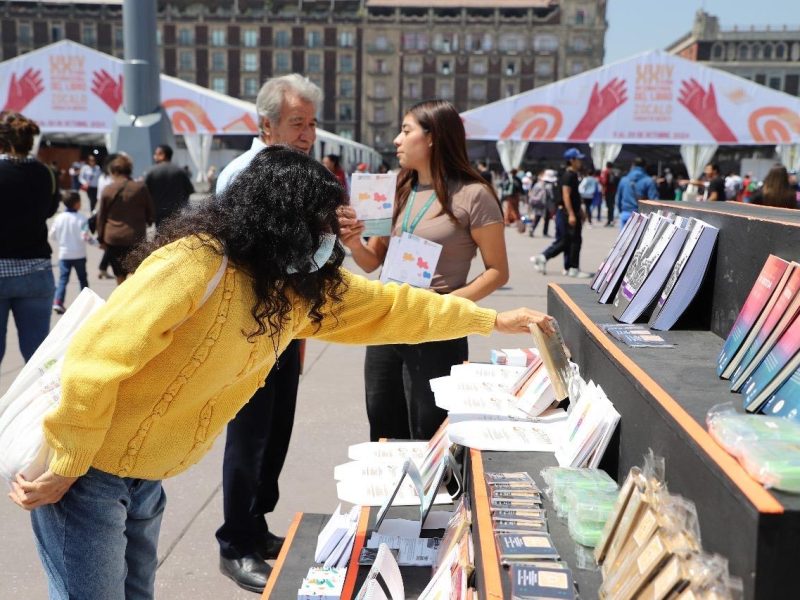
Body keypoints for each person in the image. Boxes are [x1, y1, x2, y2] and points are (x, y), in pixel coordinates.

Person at [9, 145, 555, 600]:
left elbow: (394, 307)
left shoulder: (292, 287)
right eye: (318, 226)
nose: (327, 241)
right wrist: (69, 460)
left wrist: (490, 319)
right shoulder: (196, 262)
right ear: (278, 222)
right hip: (85, 476)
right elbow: (95, 361)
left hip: (143, 477)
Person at [337, 99, 509, 443]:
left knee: (429, 434)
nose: (397, 141)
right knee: (384, 428)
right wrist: (355, 243)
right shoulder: (400, 189)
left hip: (437, 329)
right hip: (387, 323)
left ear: (432, 137)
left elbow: (497, 272)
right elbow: (373, 261)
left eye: (405, 131)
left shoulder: (475, 195)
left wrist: (448, 304)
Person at [213, 73, 321, 593]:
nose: (307, 133)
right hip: (249, 327)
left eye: (312, 123)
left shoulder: (301, 170)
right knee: (249, 434)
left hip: (287, 324)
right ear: (267, 125)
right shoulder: (243, 173)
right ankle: (234, 542)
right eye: (297, 123)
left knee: (276, 431)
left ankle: (256, 527)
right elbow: (241, 255)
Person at [0, 111, 59, 373]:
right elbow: (48, 210)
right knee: (38, 357)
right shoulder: (46, 173)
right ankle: (39, 412)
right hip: (36, 270)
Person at [531, 148, 592, 278]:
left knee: (568, 240)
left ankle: (568, 267)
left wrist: (580, 211)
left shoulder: (571, 175)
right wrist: (571, 213)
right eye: (578, 159)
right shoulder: (568, 175)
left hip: (568, 212)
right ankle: (569, 266)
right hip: (565, 213)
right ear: (572, 160)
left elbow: (575, 196)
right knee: (572, 240)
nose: (580, 161)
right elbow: (566, 196)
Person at [96, 154, 154, 284]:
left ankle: (121, 297)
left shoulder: (108, 190)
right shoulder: (140, 188)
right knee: (134, 272)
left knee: (119, 274)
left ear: (114, 171)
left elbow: (102, 217)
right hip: (135, 237)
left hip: (113, 238)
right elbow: (150, 213)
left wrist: (100, 238)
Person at [49, 192, 92, 314]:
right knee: (82, 279)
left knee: (63, 279)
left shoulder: (59, 218)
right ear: (77, 203)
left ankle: (58, 301)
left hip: (64, 254)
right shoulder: (82, 218)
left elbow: (52, 235)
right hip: (79, 254)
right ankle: (86, 302)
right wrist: (98, 244)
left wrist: (62, 239)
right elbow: (86, 236)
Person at [144, 143, 195, 227]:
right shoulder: (180, 171)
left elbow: (145, 194)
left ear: (162, 155)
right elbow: (189, 191)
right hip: (176, 213)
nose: (154, 156)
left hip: (159, 214)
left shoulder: (152, 172)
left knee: (161, 236)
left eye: (156, 154)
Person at [615, 157, 659, 228]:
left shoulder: (624, 180)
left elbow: (618, 199)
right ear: (645, 166)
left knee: (625, 238)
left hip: (625, 214)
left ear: (633, 165)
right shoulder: (649, 181)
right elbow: (655, 201)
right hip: (642, 217)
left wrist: (622, 211)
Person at [527, 168, 556, 238]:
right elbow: (552, 196)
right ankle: (544, 232)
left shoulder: (538, 184)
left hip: (537, 203)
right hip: (545, 204)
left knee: (537, 217)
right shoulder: (549, 186)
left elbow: (532, 193)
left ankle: (532, 229)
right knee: (546, 218)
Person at [599, 161, 618, 226]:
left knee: (609, 206)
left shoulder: (605, 172)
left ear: (606, 165)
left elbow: (604, 182)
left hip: (607, 191)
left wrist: (600, 180)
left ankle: (609, 220)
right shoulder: (613, 172)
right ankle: (611, 220)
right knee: (611, 206)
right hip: (613, 191)